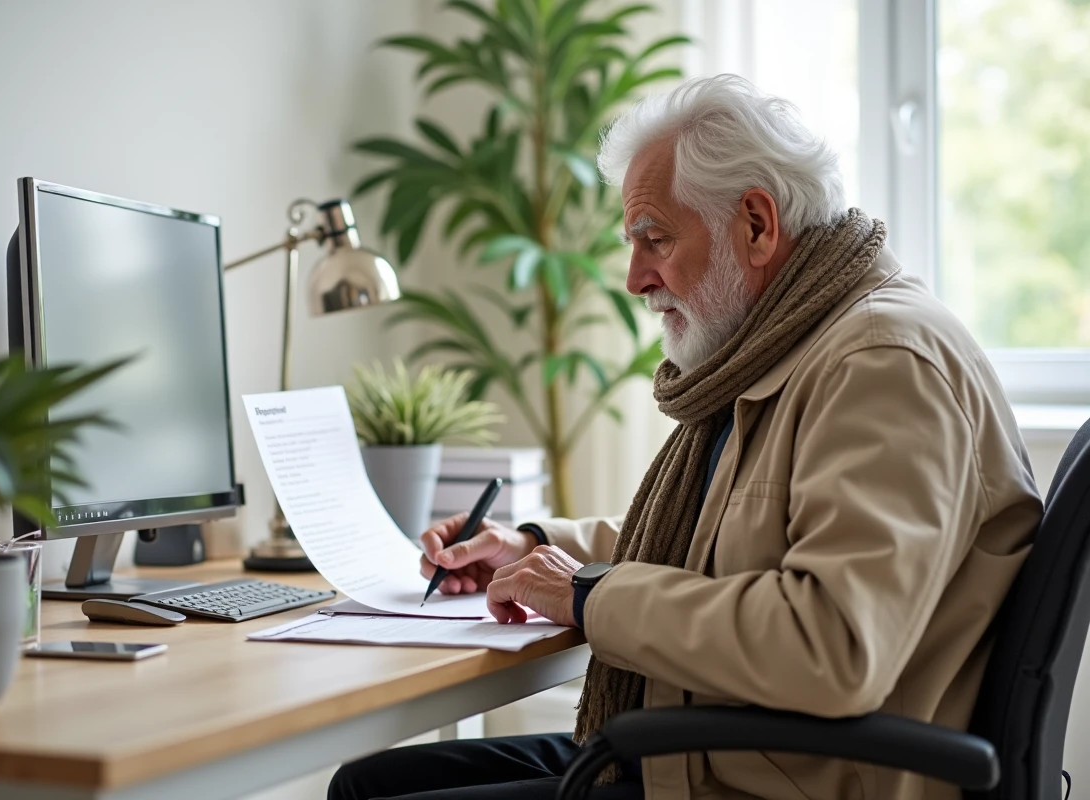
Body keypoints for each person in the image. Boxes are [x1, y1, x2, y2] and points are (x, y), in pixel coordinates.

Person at [329, 74, 1041, 800]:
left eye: (654, 239)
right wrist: (536, 546)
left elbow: (835, 646)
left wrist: (586, 594)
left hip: (781, 780)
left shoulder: (882, 362)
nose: (635, 278)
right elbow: (717, 539)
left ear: (757, 225)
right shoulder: (799, 342)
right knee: (371, 785)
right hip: (743, 752)